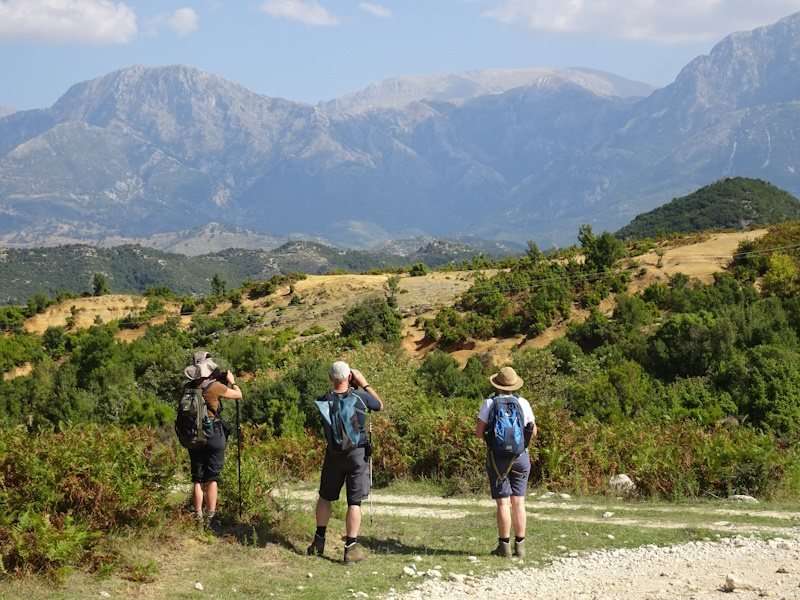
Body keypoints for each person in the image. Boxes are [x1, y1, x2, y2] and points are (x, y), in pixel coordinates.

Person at [307, 361, 384, 563]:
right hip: (357, 455)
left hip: (333, 454)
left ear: (331, 378)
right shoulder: (361, 397)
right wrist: (364, 383)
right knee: (354, 502)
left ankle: (319, 540)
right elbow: (379, 405)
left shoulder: (323, 399)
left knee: (325, 497)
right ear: (349, 377)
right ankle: (350, 548)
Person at [475, 366, 537, 559]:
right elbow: (533, 431)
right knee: (518, 502)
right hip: (521, 457)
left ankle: (504, 547)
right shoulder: (523, 403)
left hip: (497, 459)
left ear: (497, 384)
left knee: (503, 503)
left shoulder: (489, 403)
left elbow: (478, 433)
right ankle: (521, 547)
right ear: (514, 385)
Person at [183, 351, 243, 527]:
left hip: (194, 435)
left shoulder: (188, 387)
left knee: (197, 478)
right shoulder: (214, 386)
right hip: (213, 433)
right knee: (212, 478)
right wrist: (233, 381)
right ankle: (211, 517)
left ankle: (198, 516)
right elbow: (238, 395)